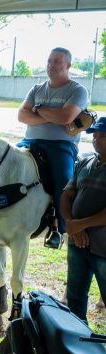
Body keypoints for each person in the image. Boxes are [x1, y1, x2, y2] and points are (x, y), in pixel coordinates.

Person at [16, 47, 89, 249]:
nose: (51, 65)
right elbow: (22, 116)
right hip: (29, 142)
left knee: (64, 181)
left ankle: (62, 229)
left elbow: (66, 117)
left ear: (68, 65)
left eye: (57, 61)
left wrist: (37, 110)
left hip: (61, 146)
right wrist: (52, 116)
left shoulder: (77, 90)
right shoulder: (36, 89)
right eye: (49, 61)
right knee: (6, 162)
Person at [62, 117, 106, 321]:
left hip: (103, 248)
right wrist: (72, 223)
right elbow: (67, 195)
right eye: (95, 135)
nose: (96, 140)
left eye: (102, 136)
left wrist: (80, 224)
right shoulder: (86, 161)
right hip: (78, 243)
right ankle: (79, 345)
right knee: (75, 298)